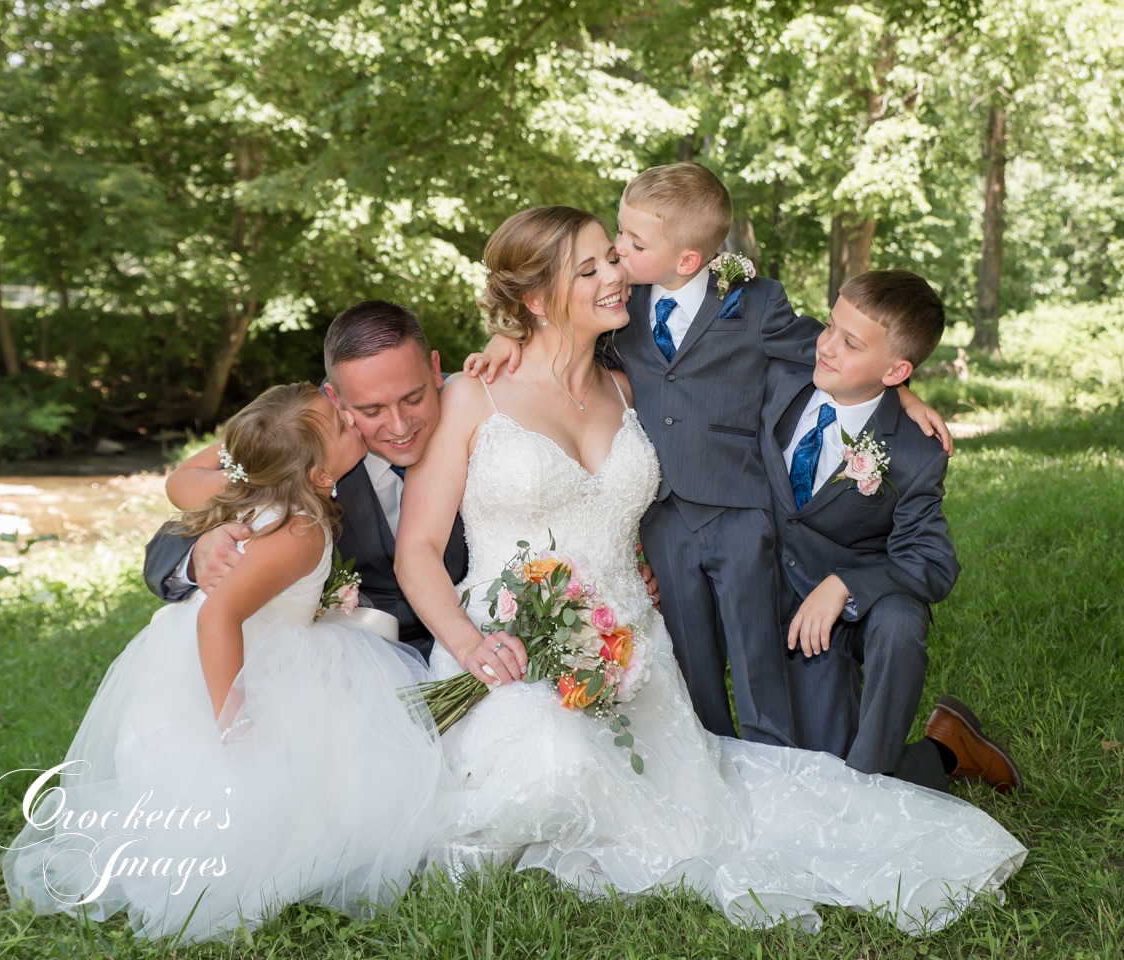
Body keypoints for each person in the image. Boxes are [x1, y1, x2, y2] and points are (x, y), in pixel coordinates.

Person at [397, 206, 1024, 934]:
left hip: (628, 643)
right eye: (593, 267)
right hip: (498, 638)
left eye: (614, 256)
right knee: (554, 761)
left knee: (742, 792)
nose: (618, 273)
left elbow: (810, 360)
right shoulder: (476, 393)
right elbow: (418, 552)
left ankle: (935, 756)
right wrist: (470, 647)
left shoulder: (631, 385)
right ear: (536, 300)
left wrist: (901, 392)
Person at [465, 162, 951, 746]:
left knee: (754, 651)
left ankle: (770, 750)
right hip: (667, 514)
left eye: (631, 243)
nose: (618, 253)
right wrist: (509, 332)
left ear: (688, 258)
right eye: (619, 237)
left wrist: (900, 389)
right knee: (692, 653)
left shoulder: (753, 302)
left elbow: (828, 352)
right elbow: (560, 332)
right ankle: (709, 753)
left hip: (740, 510)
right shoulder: (624, 308)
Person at [2, 383, 448, 942]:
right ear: (316, 477)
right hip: (237, 661)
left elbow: (193, 474)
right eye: (339, 423)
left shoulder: (269, 470)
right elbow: (219, 620)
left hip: (217, 648)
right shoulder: (300, 531)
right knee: (299, 776)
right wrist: (234, 725)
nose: (350, 420)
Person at [762, 270, 1022, 793]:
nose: (827, 347)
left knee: (901, 622)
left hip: (852, 607)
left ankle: (873, 793)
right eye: (830, 326)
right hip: (777, 589)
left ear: (897, 370)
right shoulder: (783, 368)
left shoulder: (913, 450)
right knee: (815, 770)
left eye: (850, 343)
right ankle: (945, 749)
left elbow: (934, 561)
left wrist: (846, 584)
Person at [142, 301, 467, 658]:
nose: (400, 425)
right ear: (335, 398)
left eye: (414, 398)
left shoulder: (480, 409)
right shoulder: (307, 438)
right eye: (371, 410)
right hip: (353, 667)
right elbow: (170, 535)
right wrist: (201, 551)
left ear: (435, 369)